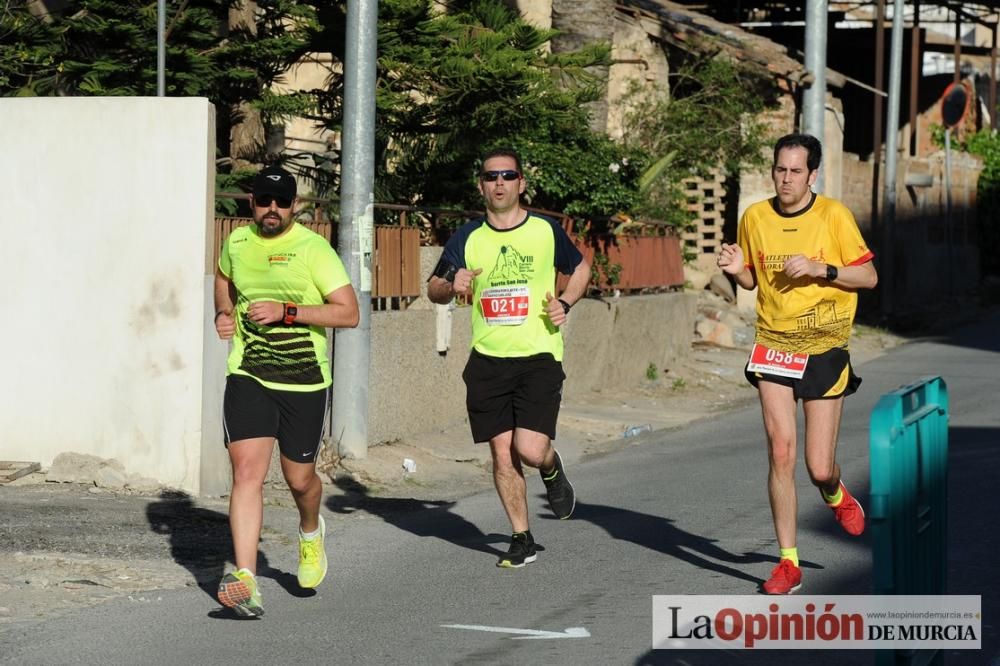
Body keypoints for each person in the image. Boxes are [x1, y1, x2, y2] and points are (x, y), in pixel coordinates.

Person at [717, 133, 878, 595]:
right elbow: (752, 278)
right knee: (781, 451)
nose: (785, 179)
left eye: (795, 171)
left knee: (817, 465)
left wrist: (821, 269)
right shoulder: (756, 217)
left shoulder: (834, 216)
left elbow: (868, 276)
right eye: (779, 169)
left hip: (825, 347)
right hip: (773, 344)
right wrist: (736, 269)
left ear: (812, 175)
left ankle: (835, 492)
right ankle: (788, 562)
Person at [427, 148, 591, 568]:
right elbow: (433, 289)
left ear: (520, 183)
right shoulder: (467, 237)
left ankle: (551, 469)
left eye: (507, 175)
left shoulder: (544, 230)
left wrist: (567, 302)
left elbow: (582, 268)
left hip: (538, 355)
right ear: (481, 185)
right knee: (502, 454)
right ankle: (521, 536)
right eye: (490, 176)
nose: (498, 183)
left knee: (531, 450)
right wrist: (451, 281)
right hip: (487, 360)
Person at [213, 165, 359, 616]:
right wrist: (222, 311)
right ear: (251, 203)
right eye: (263, 200)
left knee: (299, 478)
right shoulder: (237, 242)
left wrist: (287, 312)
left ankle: (311, 532)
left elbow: (348, 313)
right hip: (249, 374)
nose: (271, 209)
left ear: (295, 206)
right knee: (246, 474)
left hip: (304, 382)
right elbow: (224, 278)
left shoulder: (313, 250)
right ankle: (246, 579)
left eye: (281, 202)